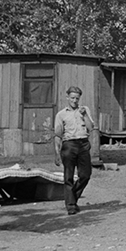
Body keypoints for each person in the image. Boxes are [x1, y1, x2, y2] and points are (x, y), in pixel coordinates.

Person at [54, 86, 94, 215]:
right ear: (67, 98)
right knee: (68, 176)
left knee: (85, 175)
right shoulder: (61, 114)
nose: (74, 100)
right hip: (69, 145)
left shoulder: (84, 110)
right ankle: (70, 205)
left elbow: (91, 128)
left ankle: (72, 198)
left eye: (77, 98)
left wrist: (85, 115)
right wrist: (57, 153)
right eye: (72, 98)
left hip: (83, 144)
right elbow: (58, 135)